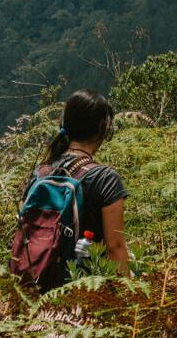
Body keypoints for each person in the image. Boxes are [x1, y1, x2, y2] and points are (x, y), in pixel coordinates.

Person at [30, 89, 130, 280]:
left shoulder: (41, 173)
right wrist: (132, 300)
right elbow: (115, 248)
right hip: (86, 294)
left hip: (37, 292)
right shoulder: (105, 178)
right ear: (102, 127)